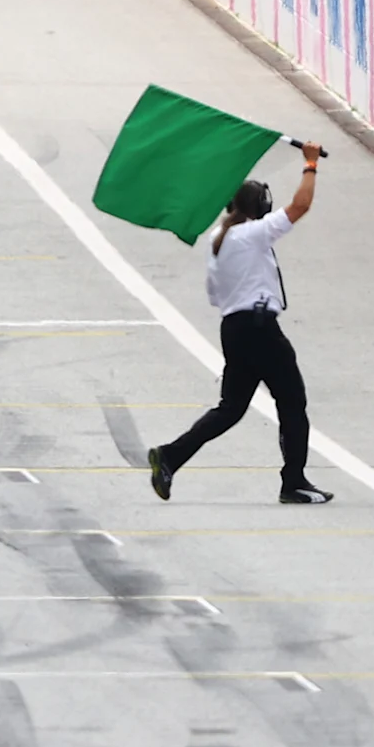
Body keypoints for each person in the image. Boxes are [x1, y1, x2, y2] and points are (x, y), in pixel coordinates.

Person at [147, 141, 334, 505]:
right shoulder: (254, 233)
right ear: (259, 209)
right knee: (292, 402)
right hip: (260, 328)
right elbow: (301, 205)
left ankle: (171, 456)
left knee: (231, 409)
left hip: (234, 328)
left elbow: (215, 295)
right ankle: (293, 481)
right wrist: (310, 164)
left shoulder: (218, 240)